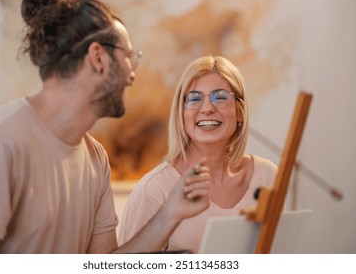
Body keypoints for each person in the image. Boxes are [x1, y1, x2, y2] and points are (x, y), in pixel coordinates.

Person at [0, 0, 210, 254]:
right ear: (98, 57)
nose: (132, 73)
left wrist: (170, 213)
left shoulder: (96, 158)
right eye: (128, 56)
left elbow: (103, 264)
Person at [118, 55, 278, 253]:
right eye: (194, 99)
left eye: (219, 97)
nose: (207, 109)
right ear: (181, 113)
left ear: (240, 112)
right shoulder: (153, 191)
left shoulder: (267, 176)